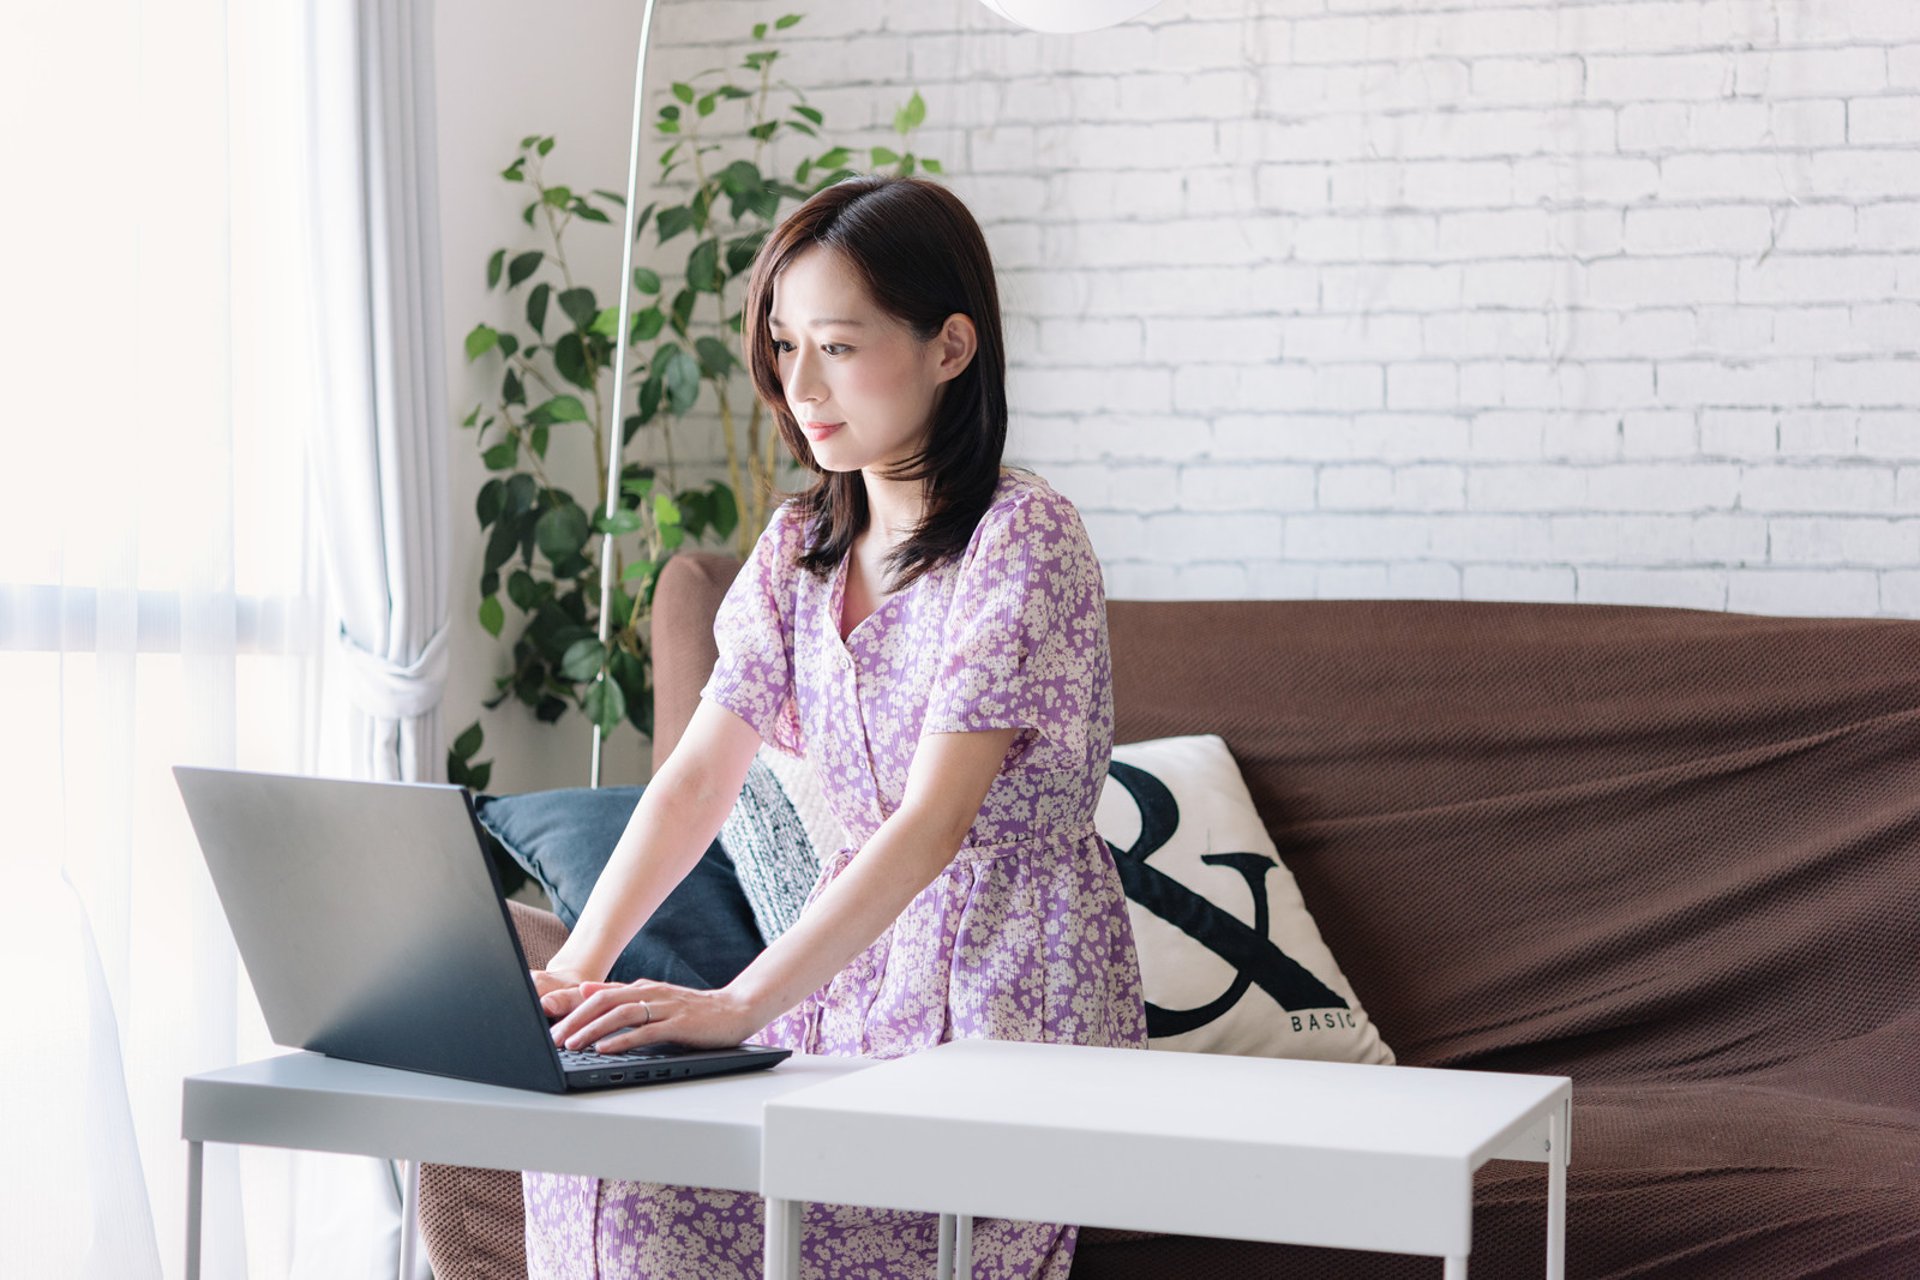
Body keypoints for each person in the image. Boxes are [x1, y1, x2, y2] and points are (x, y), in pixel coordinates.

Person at [520, 174, 1148, 1279]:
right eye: (783, 343)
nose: (799, 385)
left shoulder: (1024, 539)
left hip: (1007, 1004)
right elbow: (694, 781)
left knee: (675, 1212)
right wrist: (576, 969)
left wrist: (739, 1001)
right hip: (847, 993)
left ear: (951, 347)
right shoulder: (797, 548)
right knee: (582, 1158)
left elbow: (933, 821)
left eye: (840, 348)